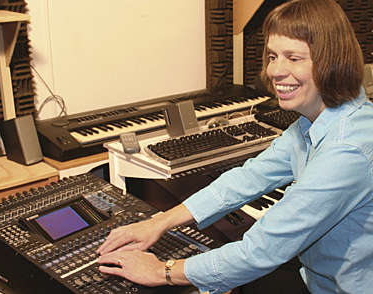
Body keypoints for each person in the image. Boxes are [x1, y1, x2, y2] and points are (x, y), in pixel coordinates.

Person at [97, 0, 373, 293]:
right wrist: (159, 223)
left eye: (294, 58)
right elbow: (248, 178)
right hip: (315, 275)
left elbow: (261, 250)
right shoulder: (313, 121)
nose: (275, 71)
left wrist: (162, 271)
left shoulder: (349, 148)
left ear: (331, 60)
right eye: (272, 56)